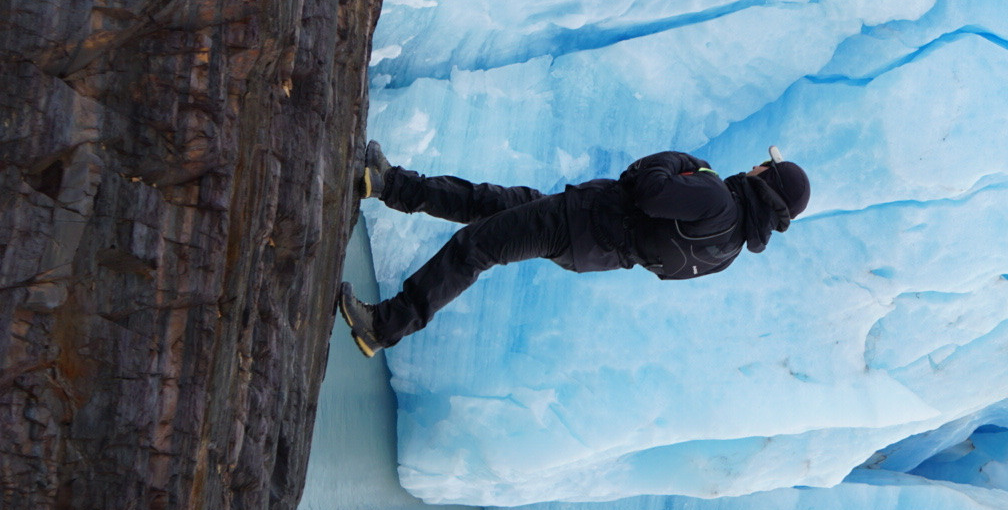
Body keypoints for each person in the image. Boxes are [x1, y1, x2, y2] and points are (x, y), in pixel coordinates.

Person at [335, 141, 810, 356]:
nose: (756, 165)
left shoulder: (717, 199)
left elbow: (649, 187)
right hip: (592, 246)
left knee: (476, 247)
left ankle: (383, 326)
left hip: (579, 222)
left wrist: (682, 159)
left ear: (766, 180)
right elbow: (663, 263)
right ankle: (391, 185)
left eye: (764, 167)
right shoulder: (729, 249)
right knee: (491, 204)